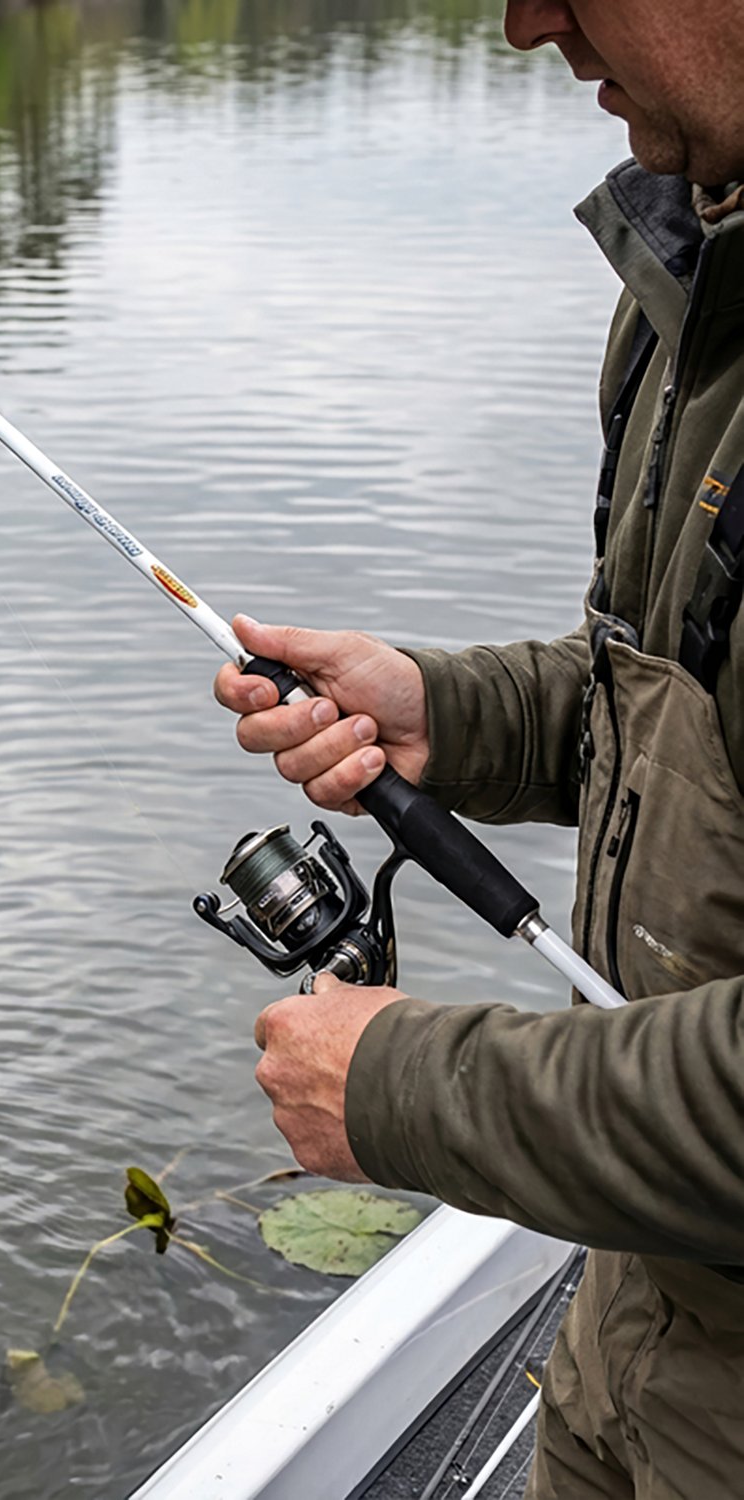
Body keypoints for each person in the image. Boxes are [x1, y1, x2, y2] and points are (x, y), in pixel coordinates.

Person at [213, 3, 744, 1497]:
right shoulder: (693, 260)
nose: (526, 22)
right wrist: (445, 713)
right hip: (636, 1318)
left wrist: (406, 1087)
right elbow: (675, 698)